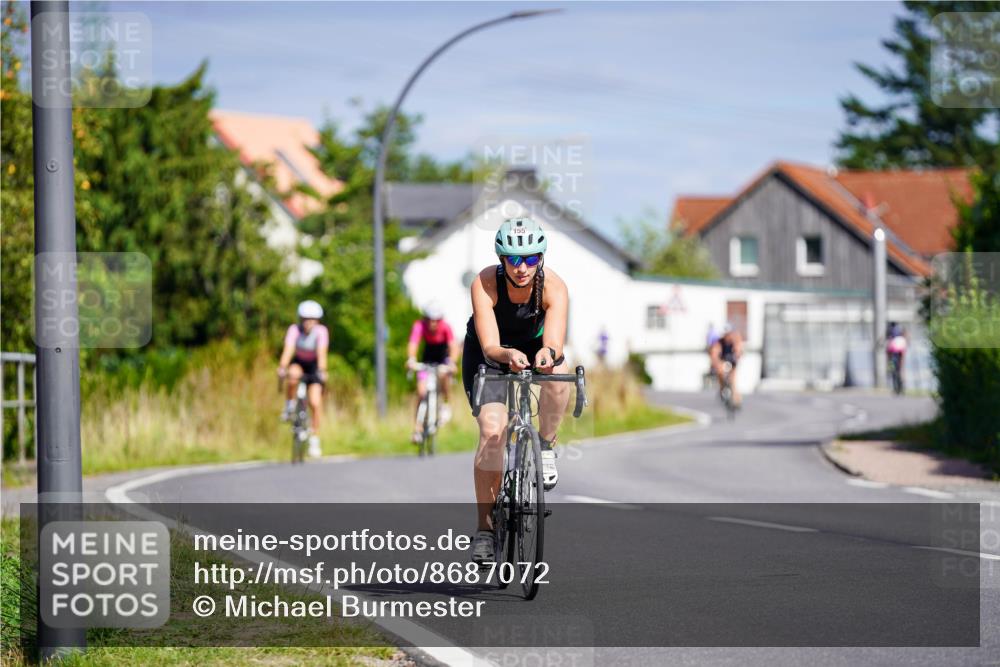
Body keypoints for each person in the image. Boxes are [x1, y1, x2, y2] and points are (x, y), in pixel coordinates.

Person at [463, 218, 571, 564]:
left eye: (530, 258)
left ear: (541, 257)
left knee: (560, 373)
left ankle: (545, 444)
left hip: (534, 347)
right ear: (501, 258)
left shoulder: (554, 287)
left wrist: (547, 354)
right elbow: (492, 345)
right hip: (491, 353)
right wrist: (508, 355)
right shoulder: (484, 283)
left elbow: (554, 342)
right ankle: (484, 529)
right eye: (513, 259)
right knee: (493, 432)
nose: (522, 267)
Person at [277, 300, 329, 458]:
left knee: (315, 402)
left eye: (312, 319)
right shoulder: (294, 330)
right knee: (292, 375)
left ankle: (314, 439)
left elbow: (321, 353)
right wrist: (282, 367)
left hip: (314, 366)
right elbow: (288, 350)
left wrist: (322, 371)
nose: (308, 323)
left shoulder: (321, 332)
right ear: (301, 319)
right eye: (305, 319)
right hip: (299, 362)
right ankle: (289, 405)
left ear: (317, 321)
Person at [406, 301, 459, 443]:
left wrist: (452, 363)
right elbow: (413, 343)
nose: (432, 324)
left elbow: (453, 346)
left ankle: (446, 405)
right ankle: (417, 429)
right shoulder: (419, 326)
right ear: (425, 318)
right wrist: (411, 359)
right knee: (421, 392)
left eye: (436, 320)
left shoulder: (446, 327)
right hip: (427, 359)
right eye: (429, 320)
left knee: (444, 375)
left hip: (442, 359)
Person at [709, 322, 743, 406]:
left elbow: (738, 349)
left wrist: (737, 354)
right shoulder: (719, 342)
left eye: (729, 334)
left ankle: (735, 398)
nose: (727, 336)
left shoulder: (735, 339)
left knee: (732, 380)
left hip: (732, 361)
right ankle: (721, 389)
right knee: (720, 372)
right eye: (726, 334)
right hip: (723, 361)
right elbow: (715, 352)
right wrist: (715, 362)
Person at [886, 321, 907, 393]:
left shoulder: (892, 338)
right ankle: (900, 388)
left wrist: (888, 362)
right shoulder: (901, 338)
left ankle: (897, 388)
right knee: (900, 371)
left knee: (894, 371)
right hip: (898, 355)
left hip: (893, 356)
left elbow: (888, 352)